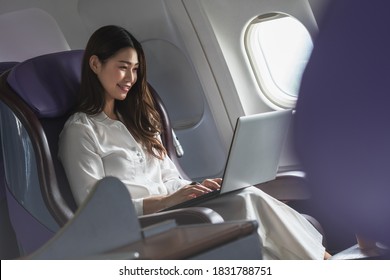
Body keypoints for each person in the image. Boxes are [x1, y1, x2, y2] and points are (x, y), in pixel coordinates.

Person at [58, 25, 329, 260]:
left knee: (245, 193)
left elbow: (170, 177)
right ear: (95, 64)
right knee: (247, 201)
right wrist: (166, 201)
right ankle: (325, 262)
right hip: (141, 225)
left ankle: (323, 262)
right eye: (122, 67)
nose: (131, 78)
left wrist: (197, 190)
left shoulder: (140, 120)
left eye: (136, 69)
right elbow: (93, 210)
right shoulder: (81, 131)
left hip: (176, 208)